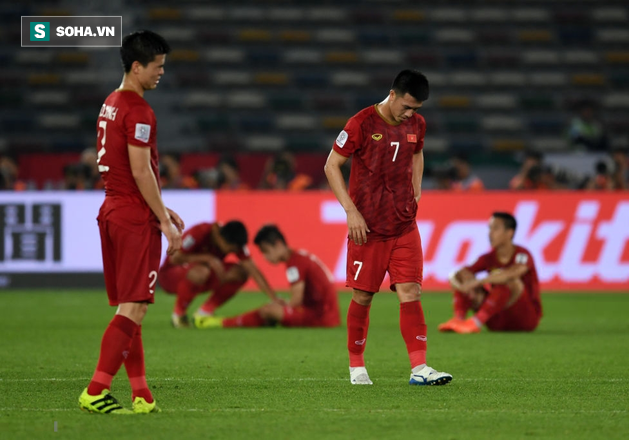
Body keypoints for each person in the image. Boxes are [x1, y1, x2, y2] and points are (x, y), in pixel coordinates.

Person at [324, 69, 452, 386]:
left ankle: (420, 368)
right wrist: (351, 212)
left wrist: (417, 190)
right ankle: (357, 367)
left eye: (416, 109)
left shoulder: (417, 125)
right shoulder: (362, 123)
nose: (410, 114)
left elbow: (418, 153)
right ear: (392, 95)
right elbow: (331, 165)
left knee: (411, 291)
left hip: (404, 225)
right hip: (367, 228)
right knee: (364, 296)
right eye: (406, 106)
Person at [79, 30, 184, 415]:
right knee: (134, 307)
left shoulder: (111, 102)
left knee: (131, 305)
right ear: (137, 67)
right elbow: (142, 172)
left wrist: (162, 207)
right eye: (156, 67)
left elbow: (134, 173)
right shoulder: (139, 110)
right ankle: (96, 390)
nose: (161, 74)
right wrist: (163, 220)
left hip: (113, 209)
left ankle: (141, 394)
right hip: (133, 217)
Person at [158, 220, 283, 329]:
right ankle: (179, 315)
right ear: (221, 239)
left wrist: (274, 297)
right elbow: (175, 258)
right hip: (170, 276)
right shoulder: (200, 232)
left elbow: (253, 270)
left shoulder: (232, 240)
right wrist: (208, 258)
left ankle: (204, 313)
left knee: (241, 272)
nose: (231, 252)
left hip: (202, 276)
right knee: (201, 271)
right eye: (231, 249)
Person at [438, 212, 542, 334]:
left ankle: (476, 322)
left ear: (510, 233)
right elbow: (457, 274)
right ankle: (458, 319)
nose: (490, 233)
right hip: (497, 320)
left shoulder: (522, 254)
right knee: (464, 277)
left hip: (524, 319)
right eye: (490, 228)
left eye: (495, 228)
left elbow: (512, 274)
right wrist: (463, 286)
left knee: (509, 281)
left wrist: (479, 281)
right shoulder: (487, 257)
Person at [220, 225, 340, 328]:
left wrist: (283, 306)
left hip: (321, 318)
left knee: (268, 310)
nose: (265, 257)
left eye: (266, 251)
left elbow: (296, 300)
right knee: (272, 308)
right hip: (326, 313)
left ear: (278, 244)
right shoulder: (298, 257)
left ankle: (226, 323)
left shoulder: (295, 263)